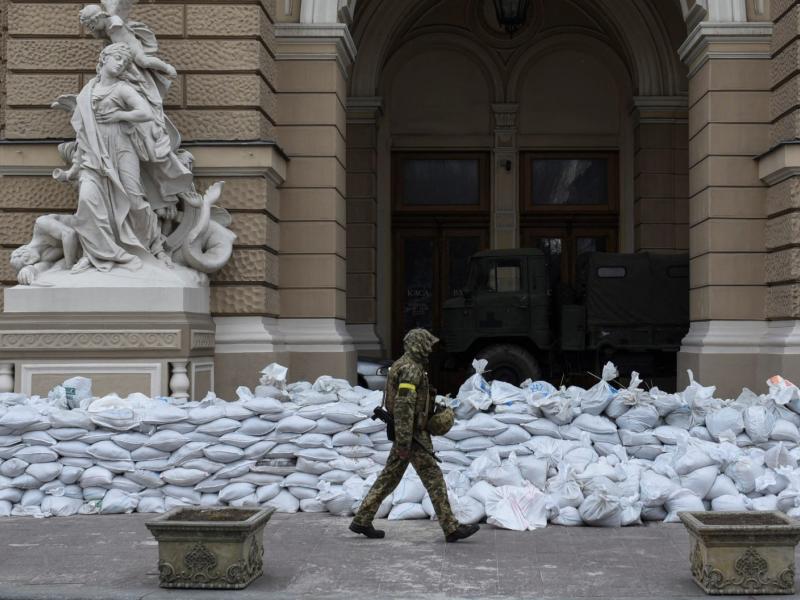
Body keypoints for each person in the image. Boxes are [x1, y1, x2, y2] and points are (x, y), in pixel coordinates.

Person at [349, 328, 480, 543]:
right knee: (434, 478)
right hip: (412, 436)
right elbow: (403, 407)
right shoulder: (410, 368)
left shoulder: (406, 364)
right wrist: (403, 442)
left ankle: (362, 519)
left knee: (389, 478)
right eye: (427, 345)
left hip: (409, 433)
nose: (430, 349)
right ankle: (451, 527)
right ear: (419, 344)